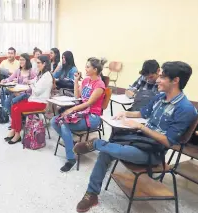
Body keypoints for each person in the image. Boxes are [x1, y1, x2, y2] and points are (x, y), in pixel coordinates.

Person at [72, 61, 197, 212]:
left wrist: (140, 126)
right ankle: (92, 194)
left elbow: (168, 142)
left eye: (162, 77)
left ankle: (96, 144)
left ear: (175, 80)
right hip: (139, 139)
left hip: (153, 152)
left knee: (109, 149)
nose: (157, 79)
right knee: (107, 151)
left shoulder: (185, 109)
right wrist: (126, 113)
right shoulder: (160, 97)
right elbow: (143, 113)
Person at [51, 57, 107, 172]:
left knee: (63, 123)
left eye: (87, 67)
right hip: (81, 112)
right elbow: (77, 96)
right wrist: (76, 81)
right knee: (54, 121)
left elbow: (89, 103)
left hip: (92, 117)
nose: (85, 69)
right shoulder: (86, 80)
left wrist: (71, 110)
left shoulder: (99, 84)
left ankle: (71, 159)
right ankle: (71, 143)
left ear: (95, 69)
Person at [4, 55, 53, 144]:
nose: (37, 65)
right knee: (14, 106)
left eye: (38, 63)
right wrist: (29, 81)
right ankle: (14, 129)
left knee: (17, 109)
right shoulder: (41, 73)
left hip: (40, 103)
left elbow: (37, 91)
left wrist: (30, 85)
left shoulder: (47, 76)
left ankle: (17, 134)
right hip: (34, 100)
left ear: (44, 64)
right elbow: (34, 81)